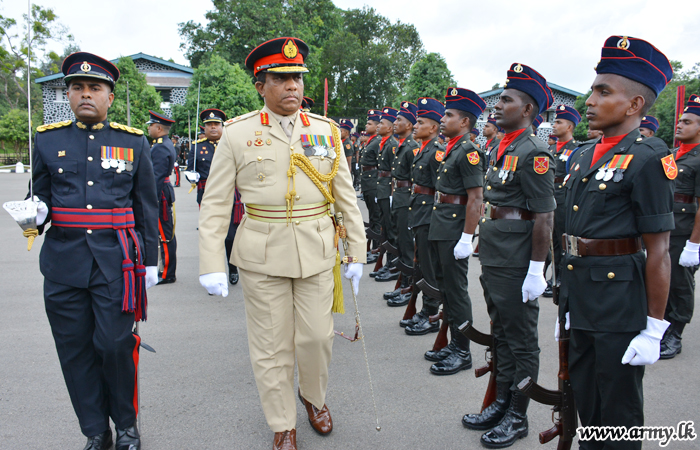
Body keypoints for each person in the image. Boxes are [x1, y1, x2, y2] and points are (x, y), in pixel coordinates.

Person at [197, 37, 365, 450]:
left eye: (297, 78)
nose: (292, 86)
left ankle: (313, 396)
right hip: (262, 252)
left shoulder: (326, 131)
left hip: (317, 249)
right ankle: (282, 421)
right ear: (261, 85)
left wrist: (356, 252)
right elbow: (216, 203)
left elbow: (345, 194)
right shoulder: (237, 134)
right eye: (281, 78)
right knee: (270, 345)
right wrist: (211, 262)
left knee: (316, 338)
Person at [26, 52, 159, 450]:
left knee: (115, 345)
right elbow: (39, 197)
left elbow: (146, 206)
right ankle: (95, 431)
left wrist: (151, 261)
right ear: (68, 94)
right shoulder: (48, 139)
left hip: (115, 262)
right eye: (78, 88)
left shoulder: (132, 141)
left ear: (110, 97)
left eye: (95, 88)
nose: (86, 94)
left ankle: (128, 427)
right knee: (75, 350)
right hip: (63, 264)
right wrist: (33, 214)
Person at [558, 36, 674, 450]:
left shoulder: (649, 157)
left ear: (634, 105)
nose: (589, 100)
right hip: (582, 298)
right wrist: (565, 302)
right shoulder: (582, 155)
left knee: (619, 418)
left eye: (603, 91)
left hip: (620, 306)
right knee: (588, 408)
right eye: (592, 89)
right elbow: (569, 234)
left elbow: (658, 249)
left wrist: (654, 328)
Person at [462, 63, 554, 448]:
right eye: (498, 98)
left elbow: (544, 214)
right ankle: (501, 401)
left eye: (506, 99)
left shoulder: (533, 150)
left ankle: (518, 414)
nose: (496, 105)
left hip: (518, 259)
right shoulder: (504, 145)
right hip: (498, 252)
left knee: (519, 339)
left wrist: (536, 270)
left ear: (528, 109)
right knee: (500, 332)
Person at [425, 87, 485, 376]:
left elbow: (476, 198)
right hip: (441, 224)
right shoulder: (450, 149)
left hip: (454, 230)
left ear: (464, 122)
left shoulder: (468, 152)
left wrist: (466, 237)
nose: (443, 118)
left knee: (457, 292)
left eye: (449, 115)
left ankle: (463, 350)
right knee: (446, 289)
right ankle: (453, 342)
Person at [661, 95, 700, 359]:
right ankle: (661, 327)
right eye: (680, 121)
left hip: (685, 231)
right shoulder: (672, 155)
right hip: (664, 228)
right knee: (661, 279)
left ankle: (675, 332)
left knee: (680, 283)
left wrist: (694, 245)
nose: (679, 125)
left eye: (687, 122)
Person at [403, 97, 444, 336]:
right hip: (419, 210)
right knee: (423, 264)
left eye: (421, 122)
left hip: (429, 213)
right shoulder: (423, 150)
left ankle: (431, 313)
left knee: (429, 267)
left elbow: (442, 189)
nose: (415, 126)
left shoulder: (436, 153)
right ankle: (426, 309)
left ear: (434, 127)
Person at [544, 105, 581, 297]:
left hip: (563, 198)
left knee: (561, 240)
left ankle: (560, 277)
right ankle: (549, 277)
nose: (554, 125)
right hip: (547, 196)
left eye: (559, 122)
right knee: (548, 240)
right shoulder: (548, 148)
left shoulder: (576, 150)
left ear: (569, 127)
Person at [385, 101, 419, 306]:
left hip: (407, 200)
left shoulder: (412, 147)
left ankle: (408, 287)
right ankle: (403, 283)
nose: (395, 123)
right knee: (399, 242)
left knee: (407, 246)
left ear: (410, 125)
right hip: (398, 197)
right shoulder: (401, 145)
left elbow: (416, 180)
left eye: (399, 120)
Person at [146, 110, 178, 284]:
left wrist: (151, 199)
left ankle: (167, 273)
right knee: (165, 232)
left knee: (164, 234)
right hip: (164, 191)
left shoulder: (160, 147)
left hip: (160, 194)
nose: (149, 128)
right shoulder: (163, 144)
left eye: (151, 125)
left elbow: (156, 177)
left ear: (158, 128)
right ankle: (167, 270)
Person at [374, 107, 400, 281]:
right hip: (381, 188)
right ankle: (387, 263)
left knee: (391, 230)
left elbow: (393, 172)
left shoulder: (392, 145)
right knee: (384, 227)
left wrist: (391, 194)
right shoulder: (384, 143)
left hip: (388, 189)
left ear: (389, 128)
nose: (378, 126)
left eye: (381, 123)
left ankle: (392, 264)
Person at [186, 109, 226, 205]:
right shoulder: (197, 147)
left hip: (228, 191)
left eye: (216, 124)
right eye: (209, 124)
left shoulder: (230, 144)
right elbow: (190, 169)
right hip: (206, 191)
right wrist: (192, 177)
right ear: (204, 128)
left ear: (222, 126)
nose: (213, 127)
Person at [360, 110, 383, 260]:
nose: (366, 125)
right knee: (373, 217)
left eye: (369, 123)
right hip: (368, 181)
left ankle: (376, 250)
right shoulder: (371, 141)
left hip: (374, 182)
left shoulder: (377, 142)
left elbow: (381, 166)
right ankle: (373, 249)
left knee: (376, 217)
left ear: (376, 127)